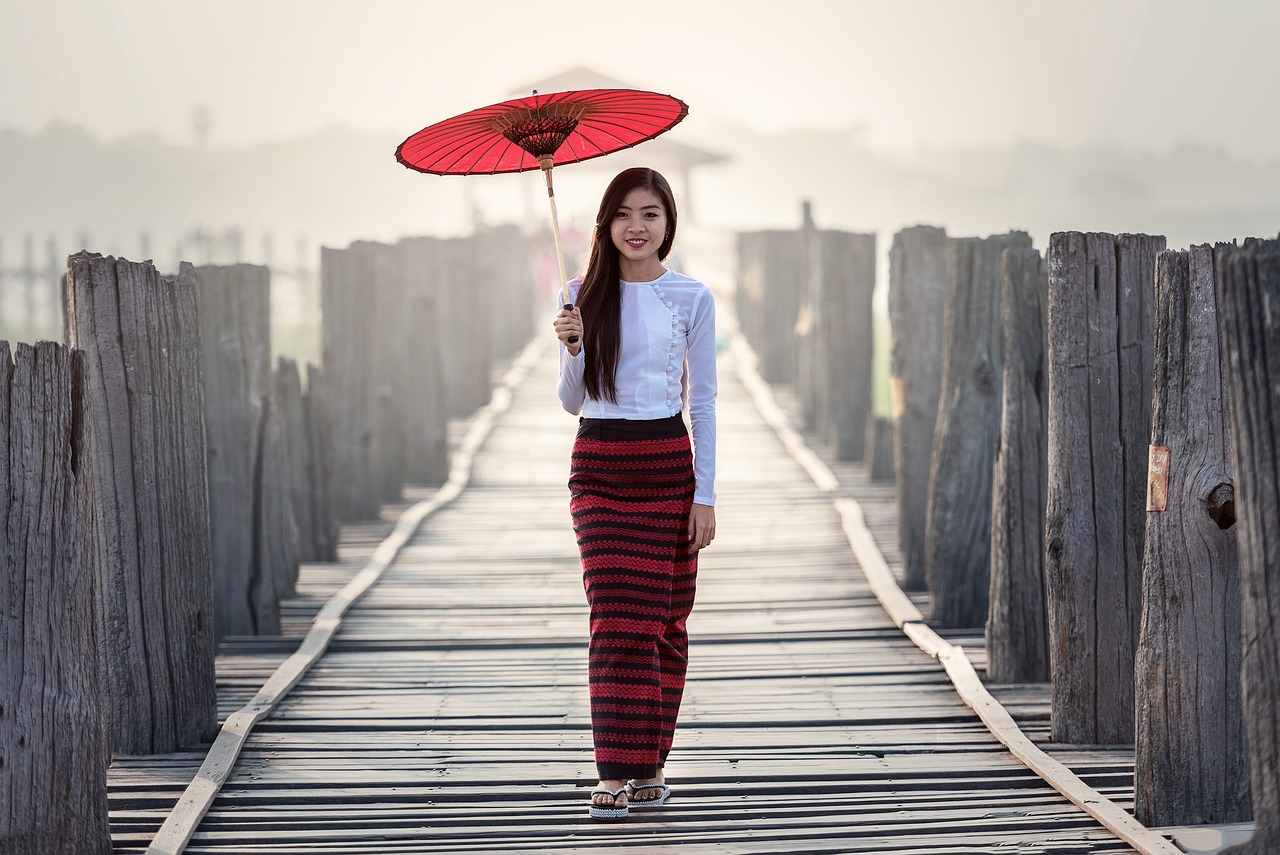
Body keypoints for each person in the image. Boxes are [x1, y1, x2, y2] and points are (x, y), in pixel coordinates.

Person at [552, 167, 717, 821]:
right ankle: (615, 772)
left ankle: (649, 766)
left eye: (650, 213)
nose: (637, 226)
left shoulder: (692, 298)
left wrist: (705, 493)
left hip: (666, 466)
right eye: (623, 213)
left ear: (668, 223)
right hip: (599, 466)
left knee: (666, 625)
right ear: (605, 225)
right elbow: (571, 402)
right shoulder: (578, 294)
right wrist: (570, 346)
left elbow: (701, 399)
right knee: (617, 618)